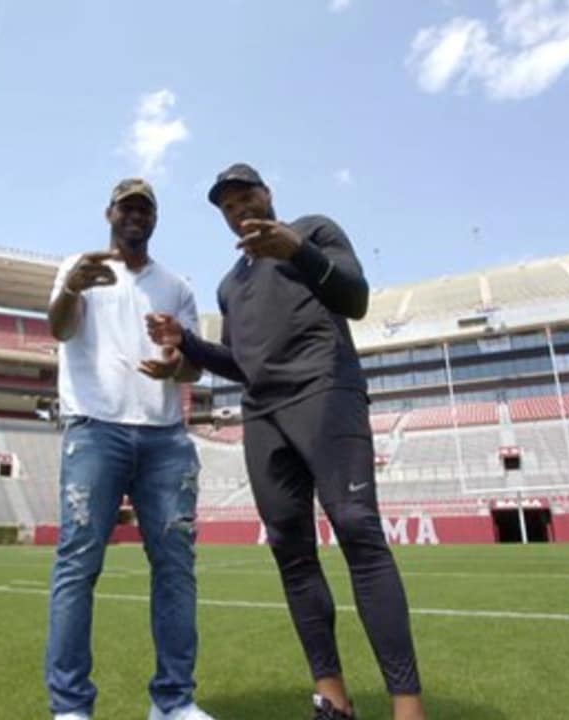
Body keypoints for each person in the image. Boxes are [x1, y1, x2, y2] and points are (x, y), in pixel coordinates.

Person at [146, 164, 426, 720]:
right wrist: (189, 344)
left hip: (325, 389)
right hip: (263, 414)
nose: (238, 209)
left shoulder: (315, 230)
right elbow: (240, 363)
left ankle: (407, 705)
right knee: (291, 551)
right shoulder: (231, 285)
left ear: (267, 194)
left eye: (246, 196)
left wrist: (296, 249)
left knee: (356, 529)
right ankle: (333, 698)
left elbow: (356, 298)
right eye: (227, 206)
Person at [45, 178, 214, 720]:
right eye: (126, 207)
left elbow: (192, 365)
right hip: (95, 428)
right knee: (78, 564)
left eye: (145, 208)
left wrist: (175, 363)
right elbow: (59, 329)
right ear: (109, 213)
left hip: (165, 435)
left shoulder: (176, 286)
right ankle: (70, 708)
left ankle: (174, 702)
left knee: (175, 569)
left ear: (155, 219)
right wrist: (71, 288)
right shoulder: (81, 269)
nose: (135, 215)